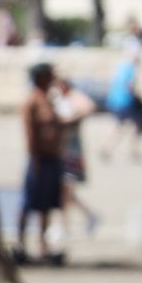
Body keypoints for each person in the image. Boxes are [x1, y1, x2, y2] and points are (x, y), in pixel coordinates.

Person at [16, 62, 67, 266]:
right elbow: (30, 134)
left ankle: (43, 245)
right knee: (30, 202)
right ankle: (20, 243)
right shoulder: (32, 102)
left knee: (46, 205)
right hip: (39, 160)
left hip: (52, 159)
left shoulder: (49, 99)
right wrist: (35, 159)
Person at [51, 74, 100, 237]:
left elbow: (89, 106)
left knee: (65, 189)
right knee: (64, 191)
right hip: (60, 149)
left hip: (71, 150)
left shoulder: (74, 96)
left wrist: (70, 119)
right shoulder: (59, 97)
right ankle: (89, 216)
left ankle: (63, 226)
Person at [100, 44, 142, 161]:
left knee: (129, 125)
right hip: (126, 101)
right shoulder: (131, 69)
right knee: (126, 126)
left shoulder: (121, 67)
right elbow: (130, 86)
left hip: (115, 100)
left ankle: (131, 150)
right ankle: (112, 148)